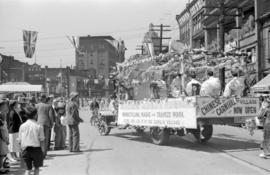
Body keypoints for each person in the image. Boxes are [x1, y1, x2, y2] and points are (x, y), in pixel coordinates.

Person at [18, 106, 45, 175]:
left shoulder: (22, 126)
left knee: (28, 169)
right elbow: (42, 140)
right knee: (36, 168)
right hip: (36, 150)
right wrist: (43, 151)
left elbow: (19, 140)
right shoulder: (39, 126)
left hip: (25, 149)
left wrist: (21, 150)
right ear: (36, 115)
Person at [0, 95, 9, 174]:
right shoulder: (1, 115)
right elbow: (2, 129)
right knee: (1, 153)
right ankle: (1, 168)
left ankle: (2, 166)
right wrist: (5, 138)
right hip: (2, 137)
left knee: (3, 153)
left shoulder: (3, 114)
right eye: (4, 105)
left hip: (3, 137)